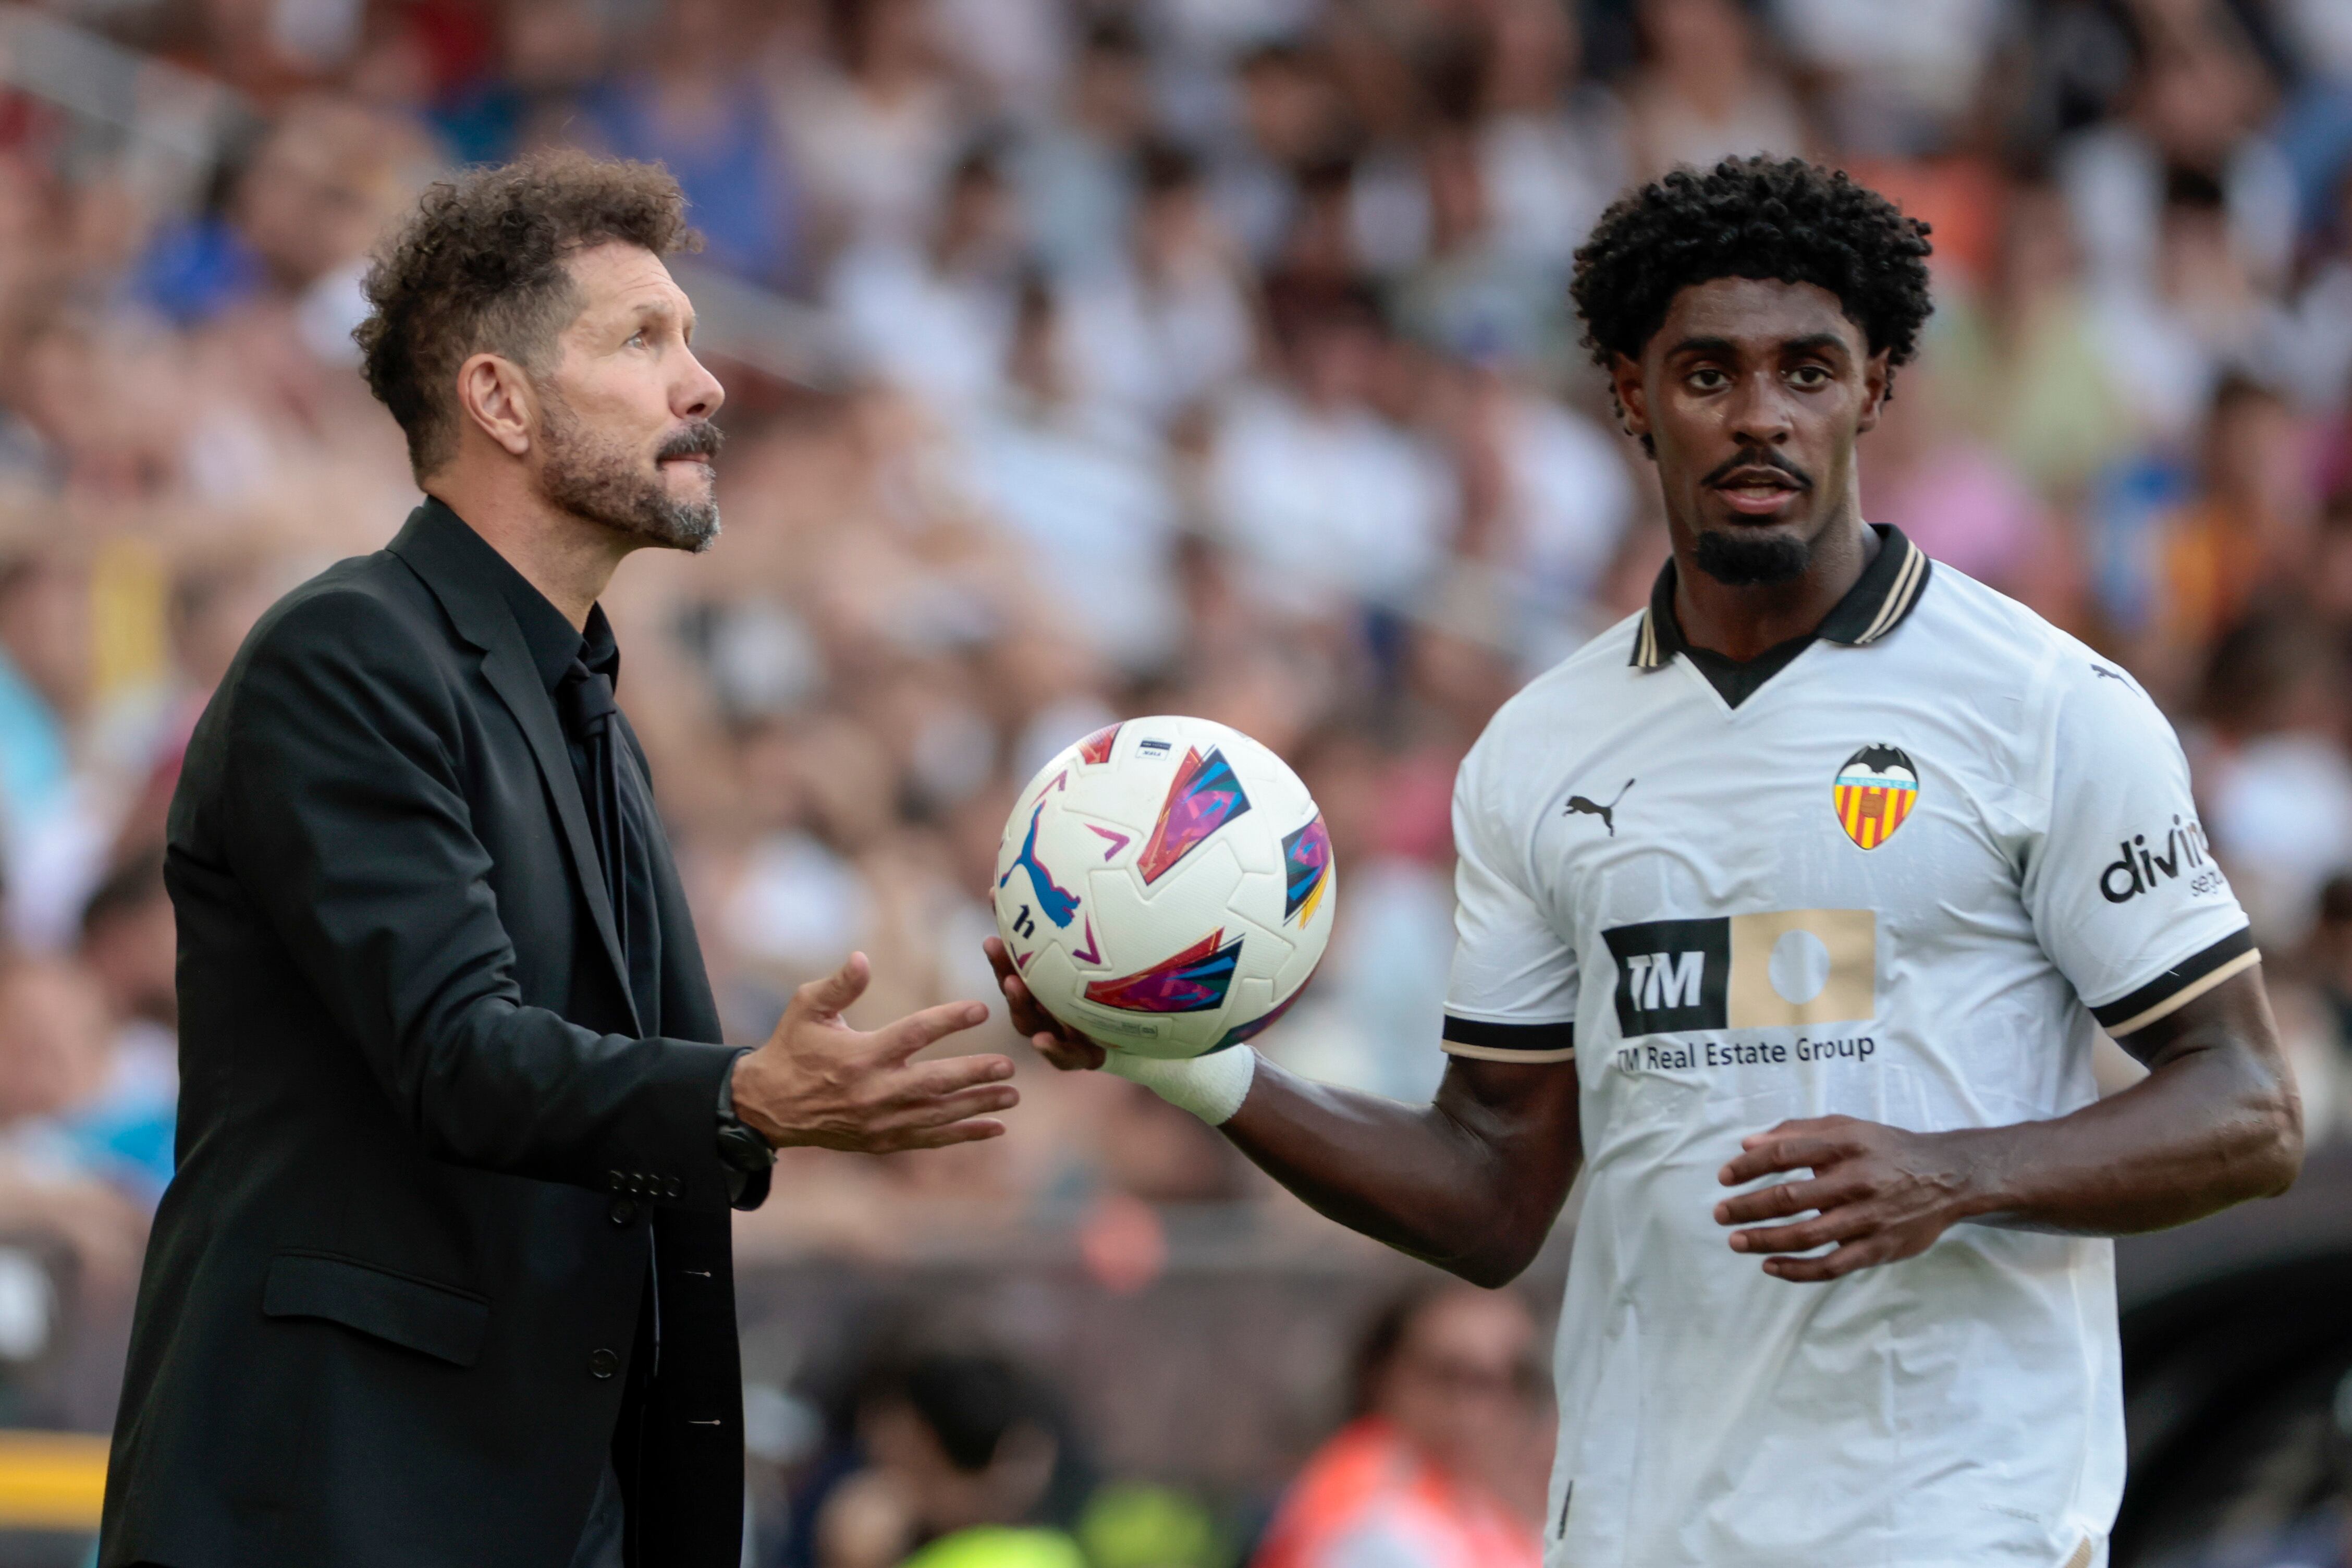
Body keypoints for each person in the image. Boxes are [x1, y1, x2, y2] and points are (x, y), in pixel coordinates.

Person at [991, 156, 2305, 1567]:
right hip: (1643, 1526)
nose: (1759, 417)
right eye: (1707, 374)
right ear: (1631, 393)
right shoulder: (1536, 753)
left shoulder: (2048, 709)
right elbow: (1490, 1193)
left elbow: (2246, 1108)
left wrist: (1955, 1172)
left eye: (1808, 371)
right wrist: (1169, 1057)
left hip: (1957, 1515)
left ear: (1875, 388)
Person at [101, 152, 1019, 1568]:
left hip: (541, 1507)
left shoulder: (586, 709)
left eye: (693, 340)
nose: (703, 384)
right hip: (341, 1501)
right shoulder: (345, 657)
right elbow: (461, 1051)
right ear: (500, 400)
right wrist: (748, 1098)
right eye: (643, 340)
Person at [1252, 1284, 1546, 1568]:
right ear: (1381, 1376)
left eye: (1511, 1380)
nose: (1473, 1407)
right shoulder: (1369, 1511)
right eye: (1449, 1375)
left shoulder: (1469, 1494)